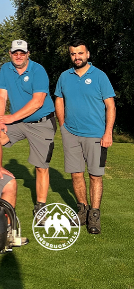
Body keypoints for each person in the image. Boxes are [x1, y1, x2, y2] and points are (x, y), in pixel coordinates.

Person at [54, 39, 115, 234]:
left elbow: (110, 106)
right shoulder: (65, 76)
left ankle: (94, 216)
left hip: (96, 135)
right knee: (76, 174)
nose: (77, 57)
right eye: (73, 54)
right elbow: (59, 99)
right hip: (71, 133)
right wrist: (62, 125)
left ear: (87, 54)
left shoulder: (99, 76)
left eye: (80, 53)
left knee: (95, 176)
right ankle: (82, 211)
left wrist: (108, 132)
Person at [0, 40, 56, 220]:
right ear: (10, 53)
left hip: (41, 122)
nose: (19, 56)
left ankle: (40, 209)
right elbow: (1, 96)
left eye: (22, 53)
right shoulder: (6, 69)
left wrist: (11, 118)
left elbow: (38, 102)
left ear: (28, 54)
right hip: (19, 122)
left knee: (41, 167)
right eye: (15, 53)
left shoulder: (38, 70)